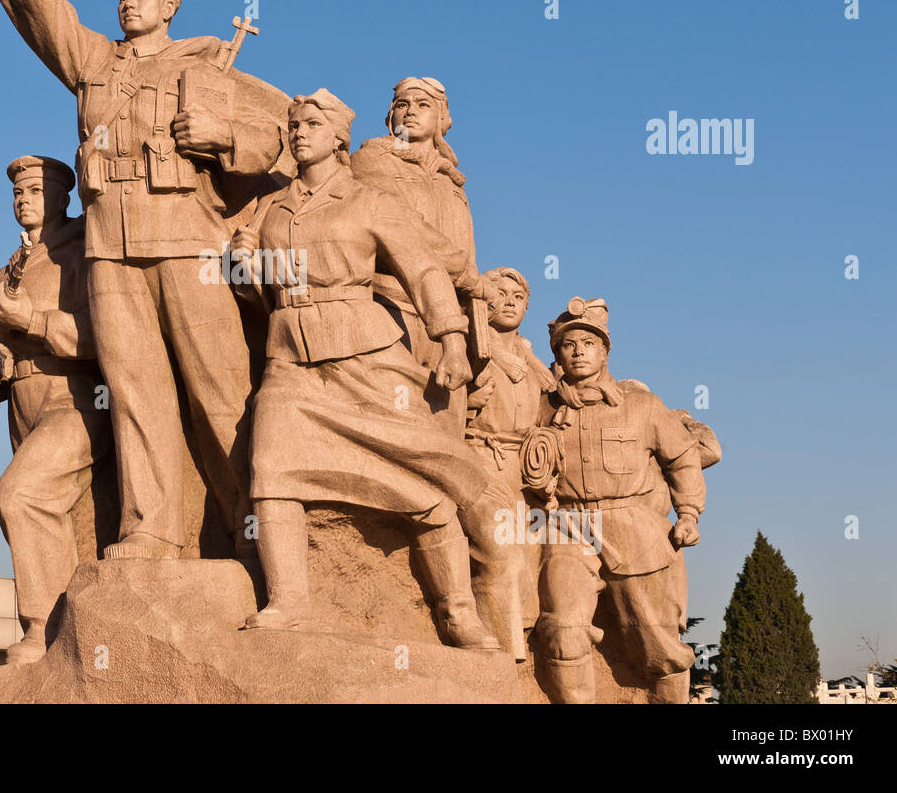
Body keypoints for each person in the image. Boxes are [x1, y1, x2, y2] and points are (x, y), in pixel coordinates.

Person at [0, 0, 287, 558]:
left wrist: (222, 135)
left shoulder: (202, 65)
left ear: (169, 6)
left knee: (220, 389)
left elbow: (275, 136)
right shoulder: (93, 65)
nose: (128, 2)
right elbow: (41, 10)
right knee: (135, 392)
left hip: (186, 241)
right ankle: (153, 531)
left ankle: (255, 532)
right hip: (110, 245)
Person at [230, 89, 506, 649]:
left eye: (311, 123)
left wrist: (451, 339)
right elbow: (249, 272)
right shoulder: (270, 208)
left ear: (339, 138)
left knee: (423, 477)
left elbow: (424, 270)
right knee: (271, 466)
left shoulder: (368, 198)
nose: (298, 132)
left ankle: (457, 612)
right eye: (293, 124)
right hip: (290, 355)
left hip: (365, 352)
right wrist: (240, 257)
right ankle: (289, 600)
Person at [0, 156, 111, 664]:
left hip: (76, 399)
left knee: (20, 494)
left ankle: (43, 625)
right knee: (41, 510)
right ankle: (67, 625)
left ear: (62, 197)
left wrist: (33, 319)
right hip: (22, 405)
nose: (22, 199)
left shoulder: (86, 249)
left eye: (34, 190)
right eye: (17, 192)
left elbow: (110, 333)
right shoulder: (12, 266)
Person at [523, 298, 706, 702]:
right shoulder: (541, 409)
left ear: (605, 352)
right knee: (563, 632)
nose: (578, 352)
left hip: (635, 529)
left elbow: (682, 457)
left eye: (588, 344)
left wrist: (688, 513)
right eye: (568, 345)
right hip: (568, 527)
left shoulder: (641, 406)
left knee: (660, 649)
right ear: (558, 355)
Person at [351, 77, 476, 435]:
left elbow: (466, 248)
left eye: (423, 105)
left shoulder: (451, 182)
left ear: (442, 120)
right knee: (395, 428)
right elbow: (409, 229)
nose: (411, 112)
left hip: (448, 321)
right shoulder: (369, 161)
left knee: (448, 435)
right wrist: (468, 276)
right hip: (391, 309)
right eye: (403, 105)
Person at [461, 266, 557, 658]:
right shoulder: (471, 345)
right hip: (480, 456)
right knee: (500, 552)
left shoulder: (528, 354)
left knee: (525, 565)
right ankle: (497, 654)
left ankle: (516, 651)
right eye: (499, 294)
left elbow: (553, 403)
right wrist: (467, 404)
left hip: (523, 470)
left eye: (518, 297)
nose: (509, 302)